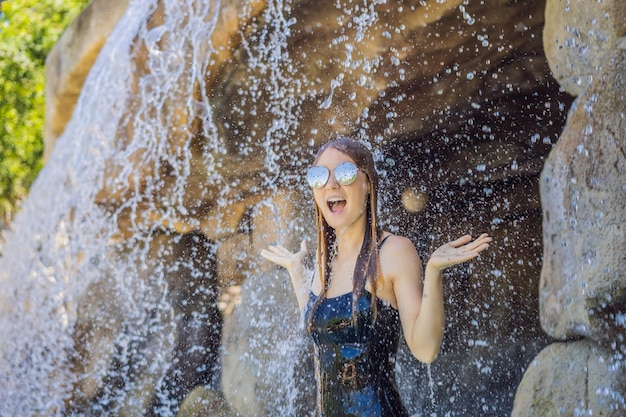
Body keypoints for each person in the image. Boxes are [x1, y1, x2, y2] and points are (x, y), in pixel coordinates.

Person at [260, 136, 491, 417]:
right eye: (319, 176)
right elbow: (322, 323)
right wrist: (297, 272)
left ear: (367, 183)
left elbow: (425, 349)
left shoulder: (393, 251)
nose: (331, 184)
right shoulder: (326, 260)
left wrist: (433, 273)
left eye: (344, 173)